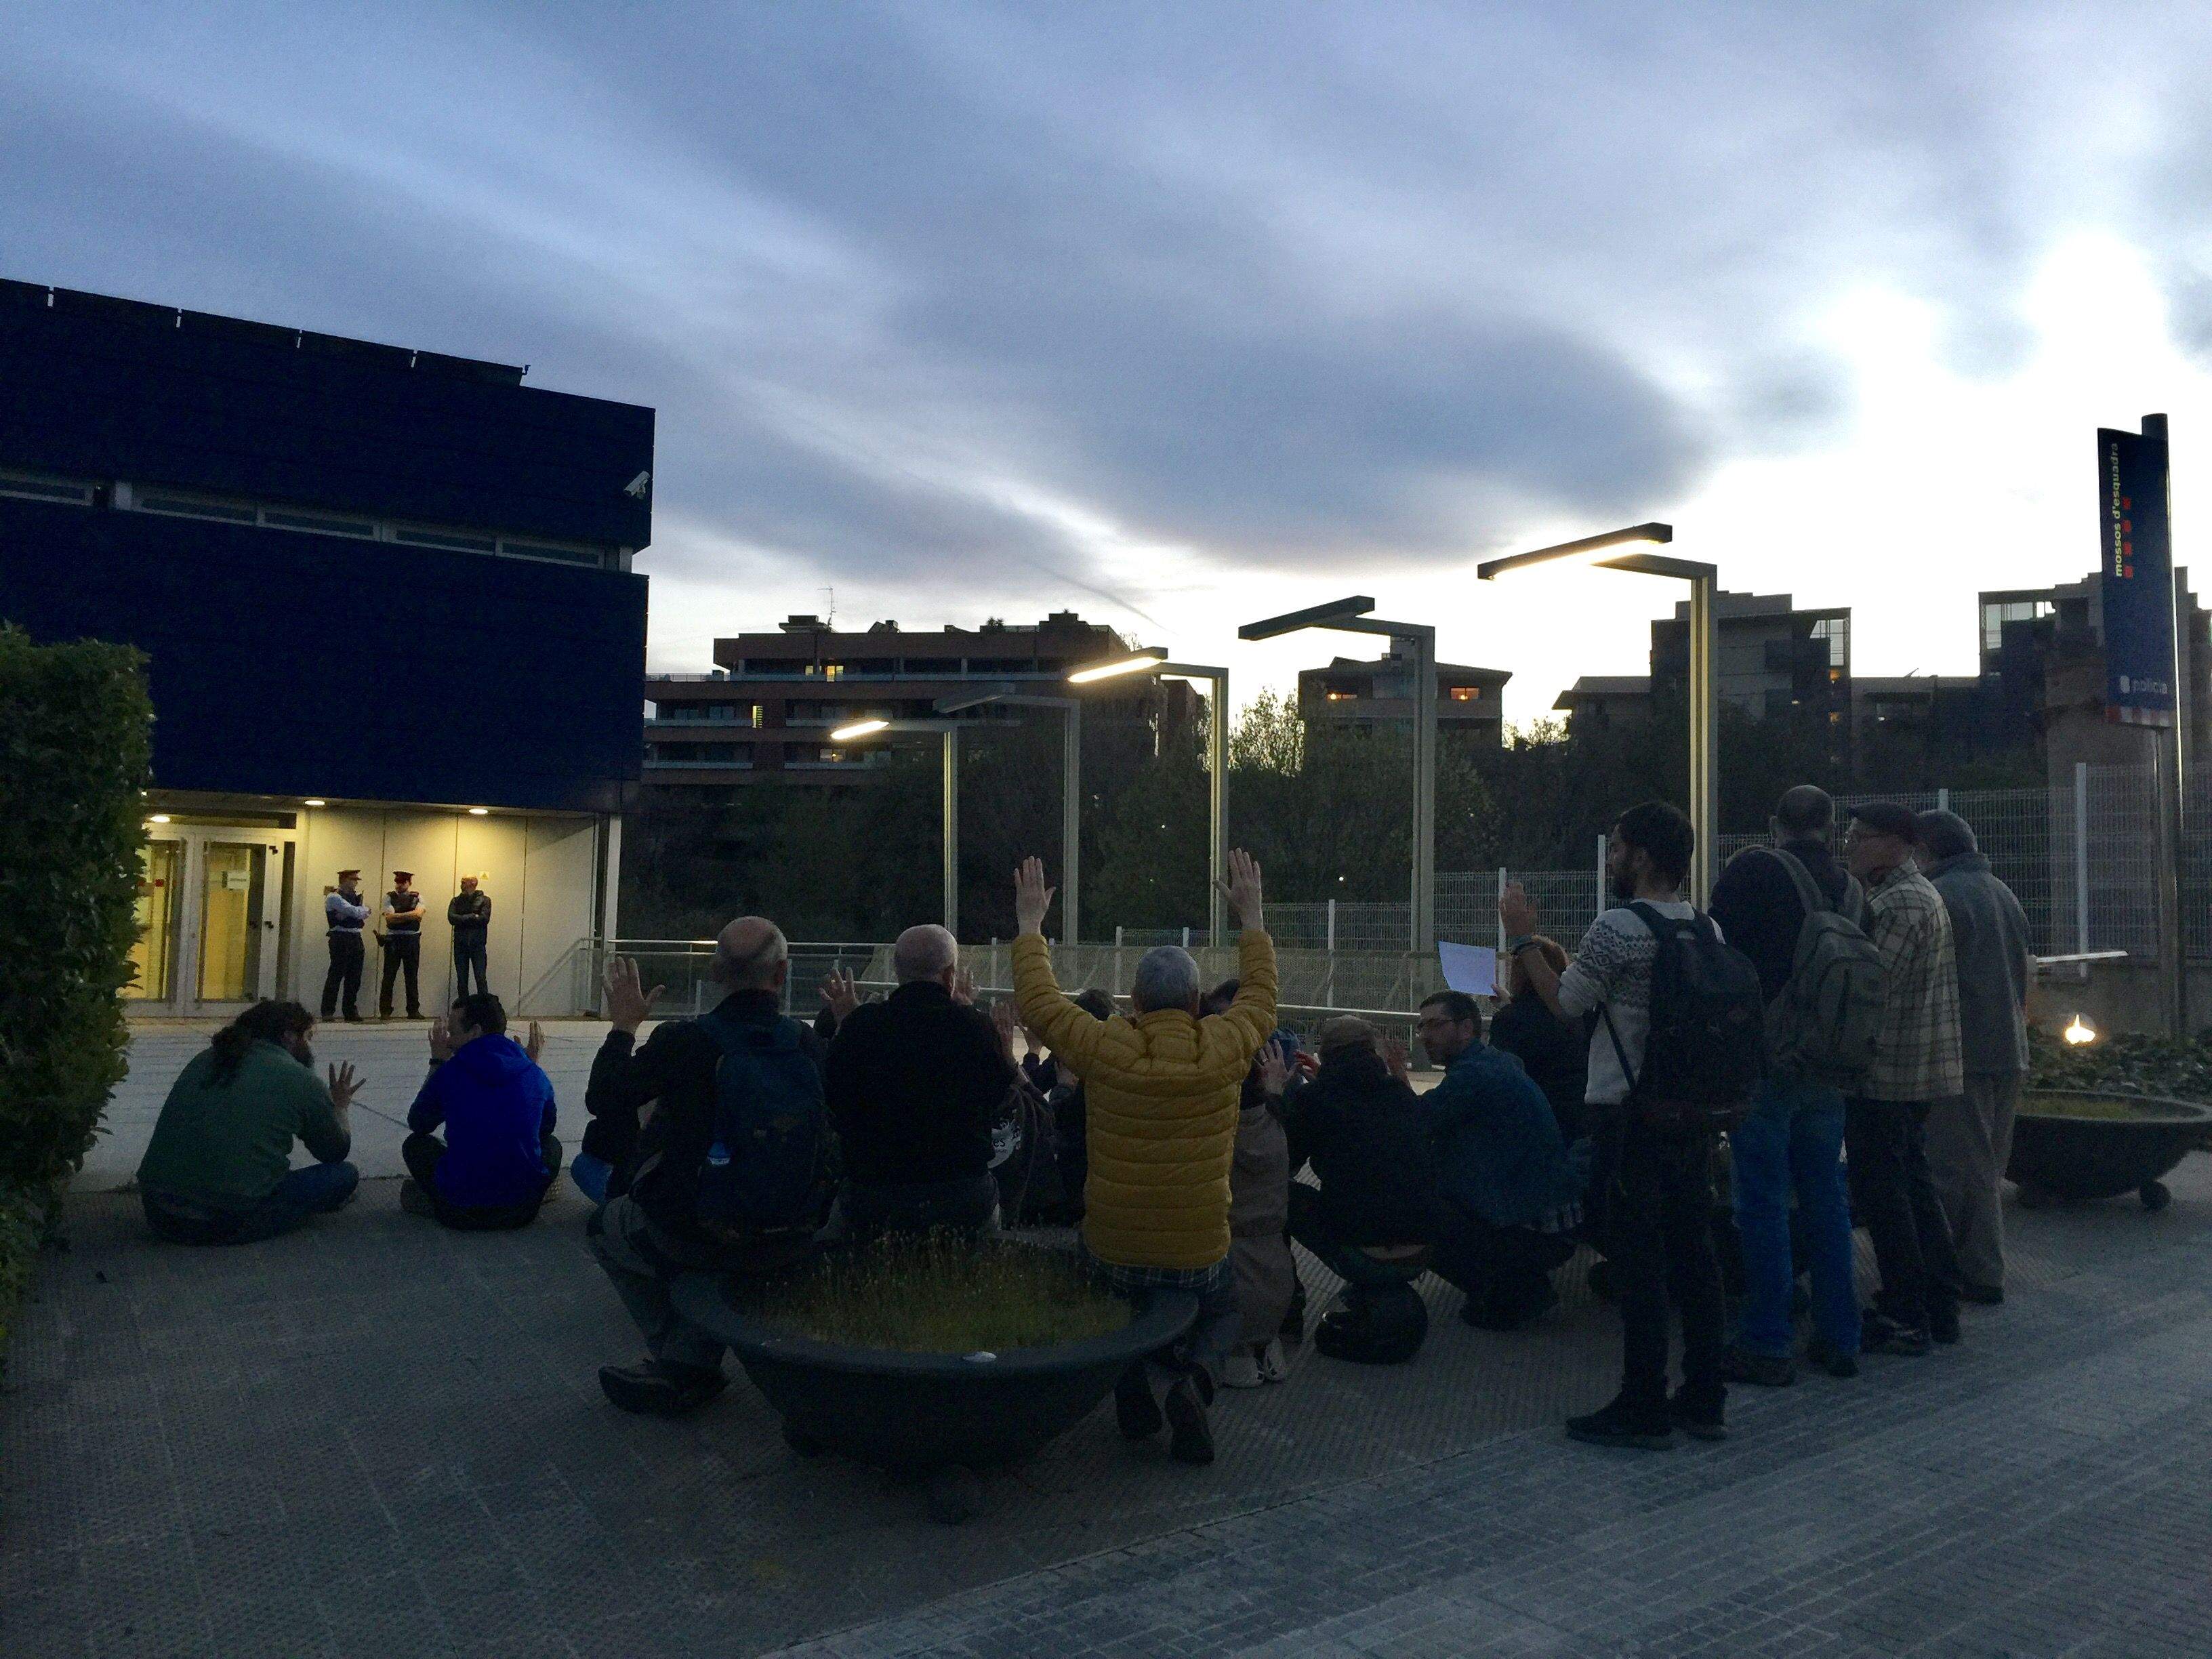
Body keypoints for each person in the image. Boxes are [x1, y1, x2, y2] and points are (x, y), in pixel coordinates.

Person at [1012, 850, 1276, 1467]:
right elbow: (1262, 996)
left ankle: (1128, 1385)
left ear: (1132, 1000)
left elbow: (1041, 1004)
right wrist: (1252, 915)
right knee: (1226, 1309)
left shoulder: (1104, 1046)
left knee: (1108, 1305)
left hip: (1116, 1246)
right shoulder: (1228, 1043)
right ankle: (1199, 1382)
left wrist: (1030, 926)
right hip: (1198, 1249)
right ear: (1197, 1002)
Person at [1500, 800, 1730, 1450]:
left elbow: (1568, 1004)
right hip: (1691, 1114)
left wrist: (1523, 938)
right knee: (1695, 1257)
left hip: (1628, 1115)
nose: (1610, 860)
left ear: (1644, 858)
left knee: (1639, 1262)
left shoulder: (1617, 927)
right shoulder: (1706, 930)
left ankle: (1643, 1405)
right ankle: (1705, 1398)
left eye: (1618, 848)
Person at [585, 919, 832, 1416]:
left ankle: (684, 1358)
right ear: (782, 973)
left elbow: (604, 1098)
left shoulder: (685, 1041)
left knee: (605, 1226)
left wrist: (623, 1027)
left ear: (717, 972)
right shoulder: (806, 1045)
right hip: (798, 1229)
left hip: (701, 1231)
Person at [1707, 785, 1865, 1385]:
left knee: (1762, 1200)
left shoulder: (1753, 869)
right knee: (1827, 1200)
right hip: (1830, 1060)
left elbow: (1716, 956)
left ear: (1776, 822)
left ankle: (1767, 1340)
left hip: (1767, 1059)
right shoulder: (1851, 888)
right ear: (1828, 825)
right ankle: (1840, 1336)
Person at [1843, 802, 1967, 1356]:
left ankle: (1906, 1309)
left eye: (1859, 837)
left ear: (1895, 843)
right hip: (1919, 1069)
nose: (1849, 847)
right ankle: (1940, 1303)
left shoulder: (1896, 903)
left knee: (1886, 1192)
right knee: (1913, 1184)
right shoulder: (1924, 894)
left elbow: (1871, 984)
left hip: (1888, 1071)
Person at [820, 924, 1013, 1237]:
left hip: (875, 1191)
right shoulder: (974, 1028)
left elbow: (834, 1098)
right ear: (950, 975)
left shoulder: (862, 1027)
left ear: (898, 971)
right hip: (960, 1190)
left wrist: (846, 1024)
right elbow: (998, 1096)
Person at [1414, 991, 1584, 1332]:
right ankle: (1517, 1280)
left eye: (1435, 1025)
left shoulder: (1473, 1077)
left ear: (1466, 1029)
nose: (1424, 1036)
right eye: (1421, 1027)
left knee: (1411, 1203)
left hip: (1532, 1229)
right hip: (1559, 1222)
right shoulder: (1500, 1061)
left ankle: (1511, 1289)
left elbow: (1412, 1123)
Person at [1916, 808, 2028, 1309]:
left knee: (1958, 1168)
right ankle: (1979, 1266)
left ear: (1928, 851)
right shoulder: (2002, 892)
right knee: (1988, 1164)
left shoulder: (1942, 897)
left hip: (1963, 1052)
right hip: (2008, 1049)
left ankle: (1977, 1271)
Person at [136, 1001, 362, 1244]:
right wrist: (339, 1107)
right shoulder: (299, 1078)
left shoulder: (204, 1060)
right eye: (307, 1037)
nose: (309, 1047)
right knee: (344, 1175)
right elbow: (335, 1151)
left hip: (158, 1211)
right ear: (288, 1036)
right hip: (225, 1219)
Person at [400, 993, 561, 1230]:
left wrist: (437, 1063)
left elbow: (419, 1123)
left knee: (415, 1145)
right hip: (522, 1211)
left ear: (474, 1032)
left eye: (453, 1033)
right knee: (552, 1145)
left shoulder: (451, 1072)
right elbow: (545, 1129)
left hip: (459, 1210)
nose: (450, 1042)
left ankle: (440, 1196)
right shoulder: (533, 1074)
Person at [1222, 1038, 1296, 1389]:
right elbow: (1272, 1112)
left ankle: (1236, 1357)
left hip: (1231, 1253)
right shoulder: (1275, 1128)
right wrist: (1276, 1090)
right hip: (1273, 1258)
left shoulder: (1221, 1134)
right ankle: (1267, 1348)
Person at [1486, 937, 1589, 1144]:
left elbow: (1501, 1077)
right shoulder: (1580, 1013)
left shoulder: (1511, 1020)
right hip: (1578, 1116)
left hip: (1533, 1122)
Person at [321, 869, 369, 1022]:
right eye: (353, 880)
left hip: (355, 936)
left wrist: (354, 912)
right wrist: (356, 912)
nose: (356, 883)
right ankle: (328, 1011)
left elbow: (365, 912)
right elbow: (355, 912)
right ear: (344, 880)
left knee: (354, 977)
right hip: (340, 937)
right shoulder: (334, 897)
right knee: (336, 974)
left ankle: (350, 1011)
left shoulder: (356, 897)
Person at [379, 869, 424, 1020]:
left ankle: (413, 1010)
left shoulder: (417, 897)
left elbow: (418, 915)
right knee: (389, 976)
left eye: (402, 882)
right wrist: (409, 916)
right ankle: (385, 1011)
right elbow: (390, 919)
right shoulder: (389, 897)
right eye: (397, 882)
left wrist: (398, 916)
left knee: (411, 976)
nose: (399, 885)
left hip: (411, 940)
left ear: (409, 883)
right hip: (393, 940)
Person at [449, 876, 492, 998]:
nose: (461, 883)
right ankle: (464, 1012)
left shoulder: (485, 900)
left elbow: (484, 919)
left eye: (464, 881)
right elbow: (451, 918)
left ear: (473, 883)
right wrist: (472, 916)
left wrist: (462, 918)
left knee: (481, 978)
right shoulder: (456, 901)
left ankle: (483, 1012)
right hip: (461, 946)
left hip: (478, 945)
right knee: (462, 981)